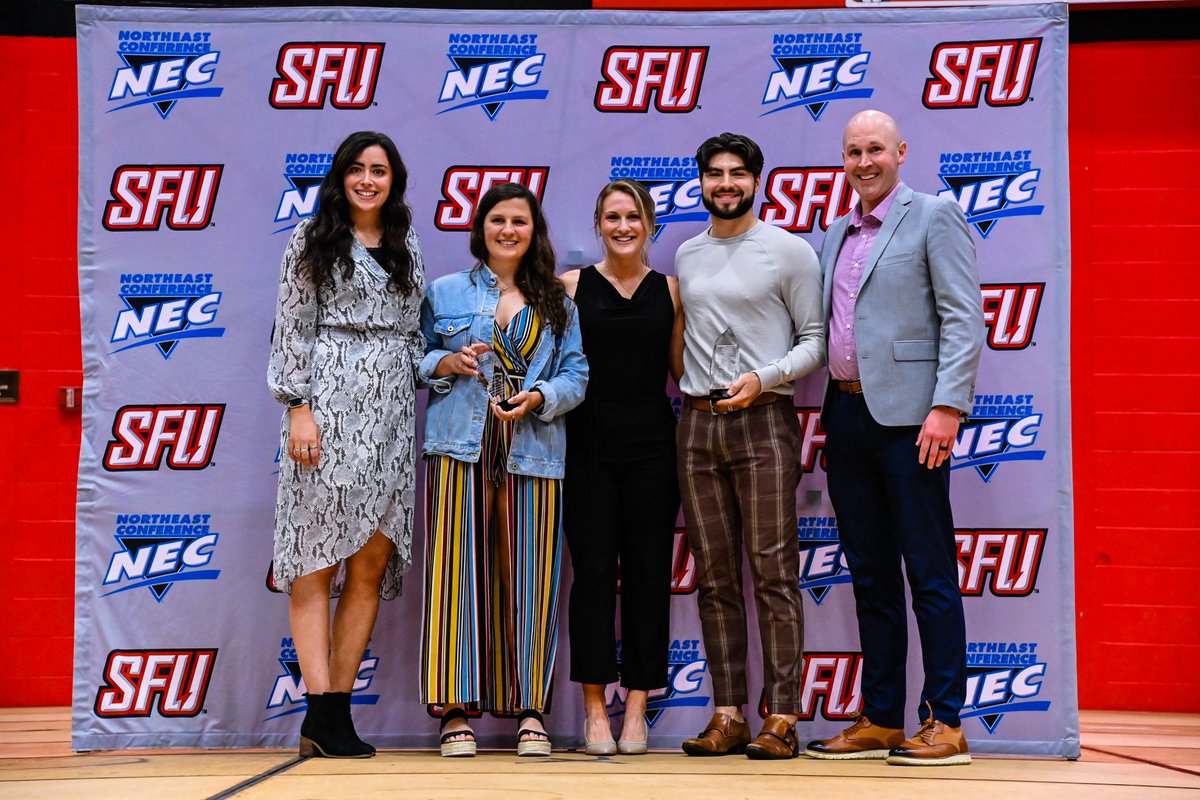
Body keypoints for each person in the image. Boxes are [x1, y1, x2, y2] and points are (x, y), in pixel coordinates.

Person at [804, 110, 983, 767]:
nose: (864, 160)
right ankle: (882, 717)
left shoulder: (934, 215)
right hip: (846, 416)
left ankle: (946, 723)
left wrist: (947, 406)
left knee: (929, 571)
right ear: (843, 159)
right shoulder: (835, 231)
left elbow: (964, 315)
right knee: (872, 576)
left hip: (914, 420)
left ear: (900, 152)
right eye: (853, 151)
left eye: (875, 148)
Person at [268, 130, 424, 758]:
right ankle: (319, 707)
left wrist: (441, 365)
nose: (368, 180)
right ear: (340, 177)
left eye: (379, 171)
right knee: (313, 559)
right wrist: (298, 408)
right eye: (357, 169)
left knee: (368, 563)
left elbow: (413, 333)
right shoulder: (310, 241)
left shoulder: (406, 244)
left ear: (394, 181)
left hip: (390, 416)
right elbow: (291, 326)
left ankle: (335, 712)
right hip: (324, 413)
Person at [418, 182, 588, 758]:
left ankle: (529, 710)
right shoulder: (443, 293)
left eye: (519, 220)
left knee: (531, 578)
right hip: (458, 445)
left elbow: (577, 375)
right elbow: (412, 359)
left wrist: (539, 397)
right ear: (481, 228)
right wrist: (446, 360)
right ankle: (454, 709)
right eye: (497, 220)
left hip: (533, 448)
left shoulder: (558, 302)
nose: (508, 230)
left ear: (533, 230)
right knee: (454, 576)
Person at [675, 133, 824, 760]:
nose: (726, 183)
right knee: (713, 579)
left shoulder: (789, 252)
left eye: (738, 173)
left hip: (765, 420)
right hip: (697, 424)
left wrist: (763, 378)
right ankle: (729, 713)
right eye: (715, 174)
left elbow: (815, 340)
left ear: (757, 180)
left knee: (773, 573)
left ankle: (783, 716)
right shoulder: (686, 253)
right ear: (701, 182)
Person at [559, 180, 684, 756]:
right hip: (585, 447)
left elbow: (685, 370)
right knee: (590, 581)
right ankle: (593, 710)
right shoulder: (570, 286)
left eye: (633, 216)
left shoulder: (672, 292)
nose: (623, 226)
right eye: (612, 216)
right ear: (598, 224)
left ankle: (636, 706)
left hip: (655, 447)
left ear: (649, 222)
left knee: (646, 577)